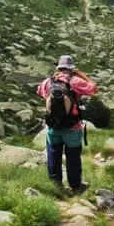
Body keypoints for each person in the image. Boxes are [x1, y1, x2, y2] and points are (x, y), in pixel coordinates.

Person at [36, 54, 98, 193]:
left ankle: (56, 186)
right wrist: (81, 74)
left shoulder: (48, 82)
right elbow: (94, 89)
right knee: (73, 158)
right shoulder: (75, 81)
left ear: (59, 67)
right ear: (71, 68)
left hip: (53, 126)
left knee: (53, 156)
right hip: (72, 127)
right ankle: (76, 186)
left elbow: (40, 92)